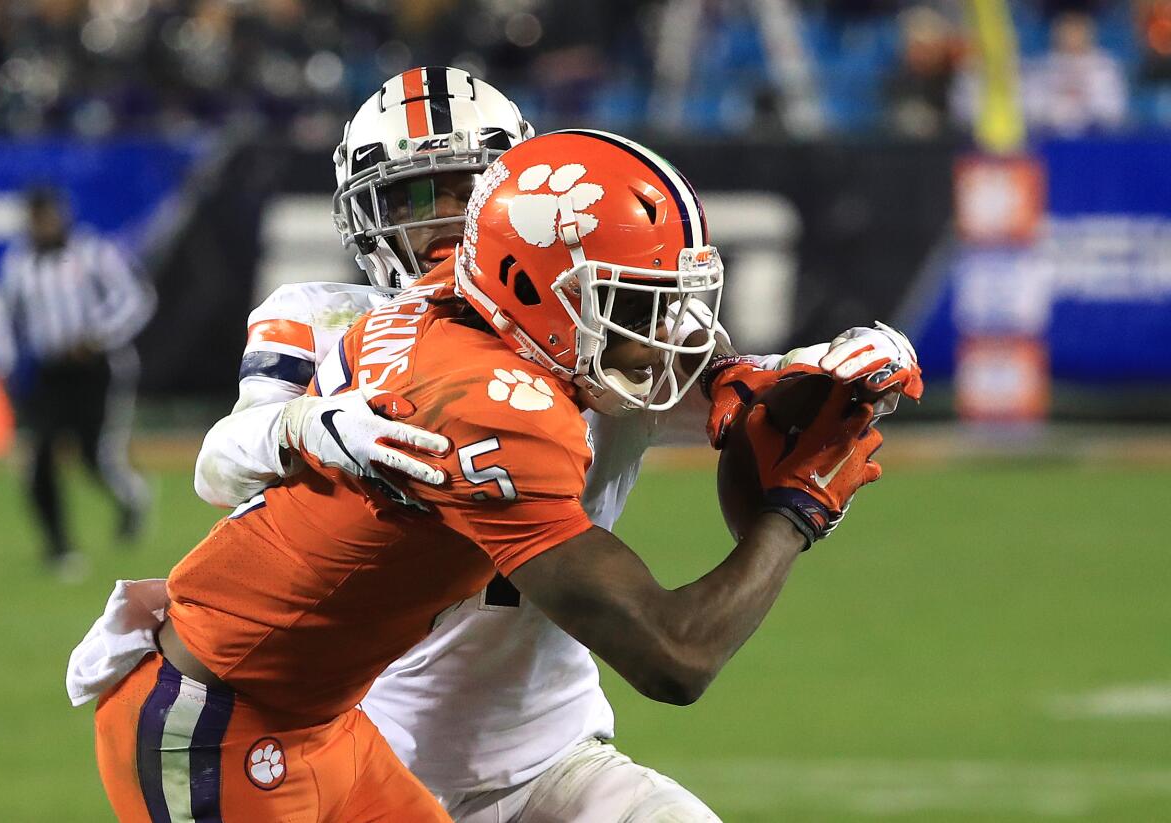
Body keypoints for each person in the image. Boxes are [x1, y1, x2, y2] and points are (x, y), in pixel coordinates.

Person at [74, 127, 897, 822]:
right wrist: (794, 511)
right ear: (533, 281)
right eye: (633, 304)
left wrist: (795, 378)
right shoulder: (492, 405)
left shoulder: (450, 301)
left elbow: (718, 388)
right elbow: (673, 657)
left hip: (321, 720)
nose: (661, 332)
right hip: (218, 726)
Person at [0, 186, 155, 578]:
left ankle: (132, 499)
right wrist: (9, 368)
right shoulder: (18, 262)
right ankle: (58, 547)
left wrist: (99, 336)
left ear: (62, 213)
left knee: (94, 455)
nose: (43, 224)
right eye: (36, 217)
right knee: (40, 456)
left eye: (48, 214)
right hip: (48, 372)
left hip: (95, 368)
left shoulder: (93, 252)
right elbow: (11, 320)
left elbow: (136, 299)